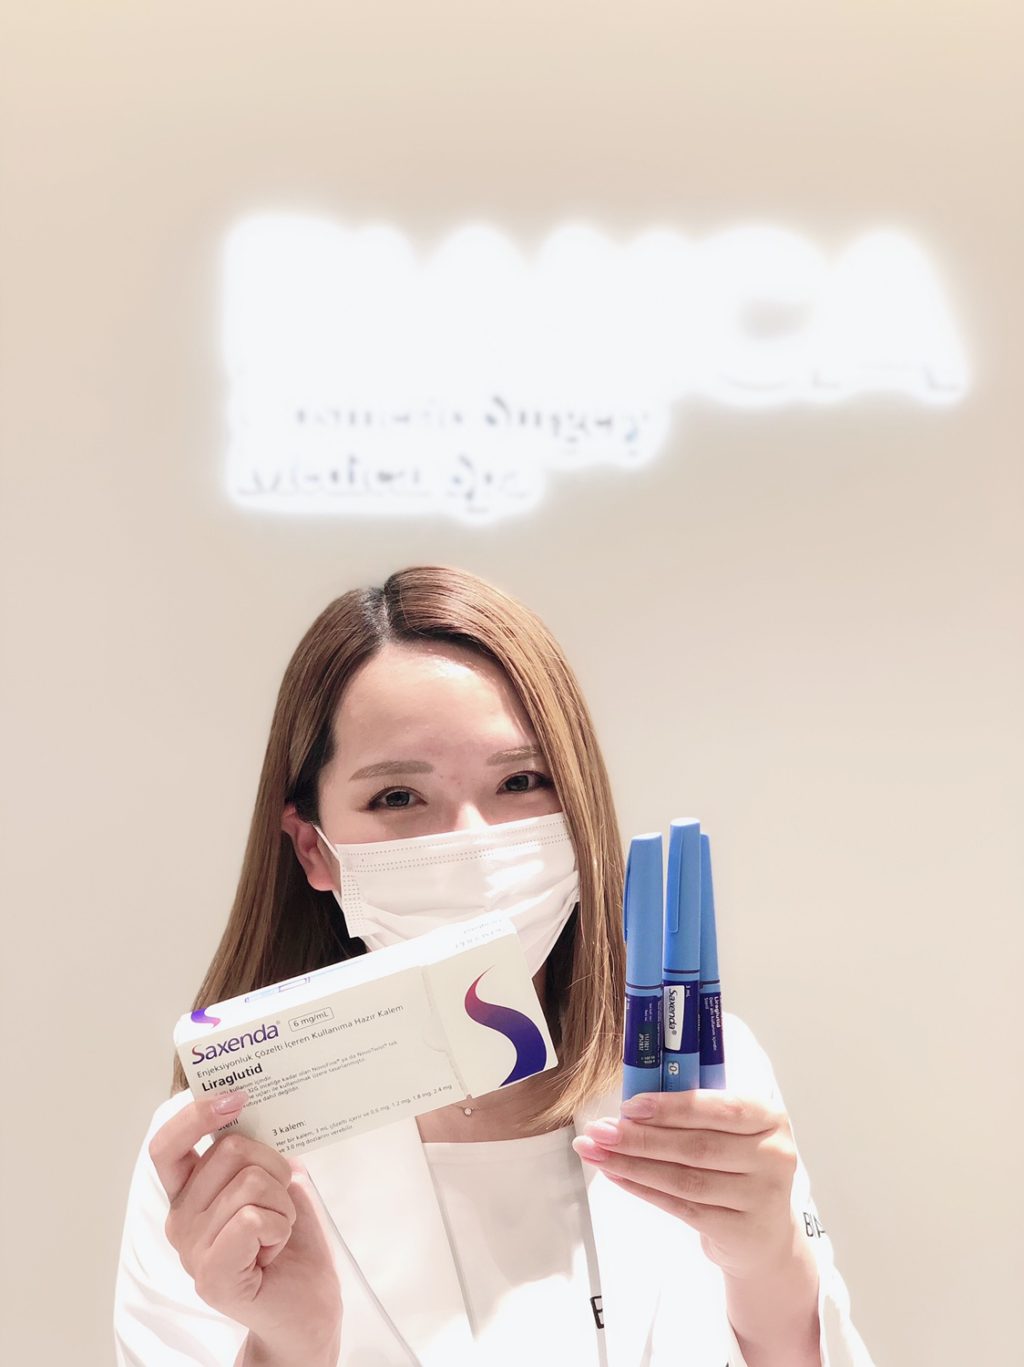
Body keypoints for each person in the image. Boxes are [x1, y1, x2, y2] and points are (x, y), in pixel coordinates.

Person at [114, 565, 874, 1367]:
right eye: (398, 796)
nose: (473, 842)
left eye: (520, 781)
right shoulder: (219, 1162)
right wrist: (288, 1349)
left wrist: (770, 1267)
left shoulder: (707, 1073)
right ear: (314, 849)